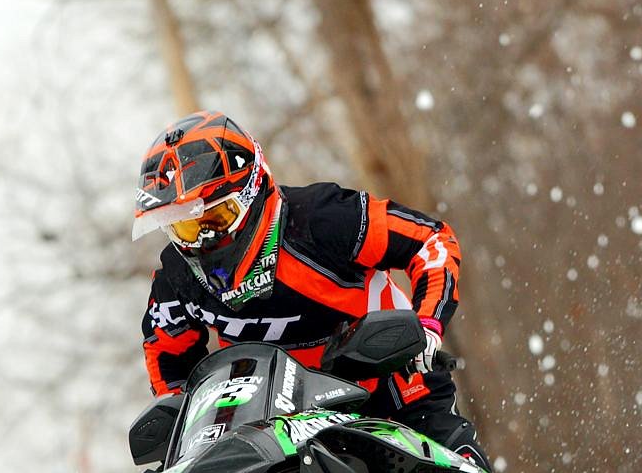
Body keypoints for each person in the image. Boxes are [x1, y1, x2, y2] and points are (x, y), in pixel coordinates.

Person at [132, 111, 478, 455]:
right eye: (187, 228)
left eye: (217, 218)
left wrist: (428, 322)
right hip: (280, 433)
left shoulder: (323, 220)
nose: (203, 241)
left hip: (397, 393)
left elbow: (429, 239)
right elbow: (166, 358)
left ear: (253, 191)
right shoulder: (176, 277)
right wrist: (182, 434)